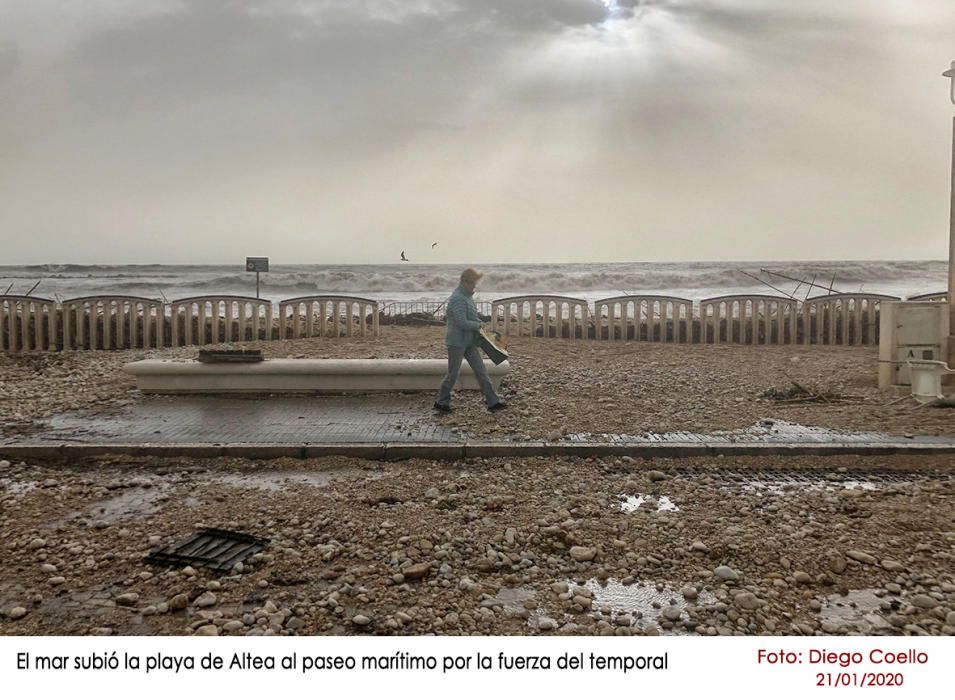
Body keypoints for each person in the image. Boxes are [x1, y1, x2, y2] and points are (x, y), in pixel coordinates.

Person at [434, 268, 506, 412]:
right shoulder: (458, 298)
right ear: (465, 281)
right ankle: (441, 402)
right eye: (473, 282)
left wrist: (478, 321)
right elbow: (461, 322)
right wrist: (478, 325)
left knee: (481, 371)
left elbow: (470, 317)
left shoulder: (467, 296)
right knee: (453, 374)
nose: (475, 286)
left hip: (469, 341)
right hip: (456, 342)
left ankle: (493, 401)